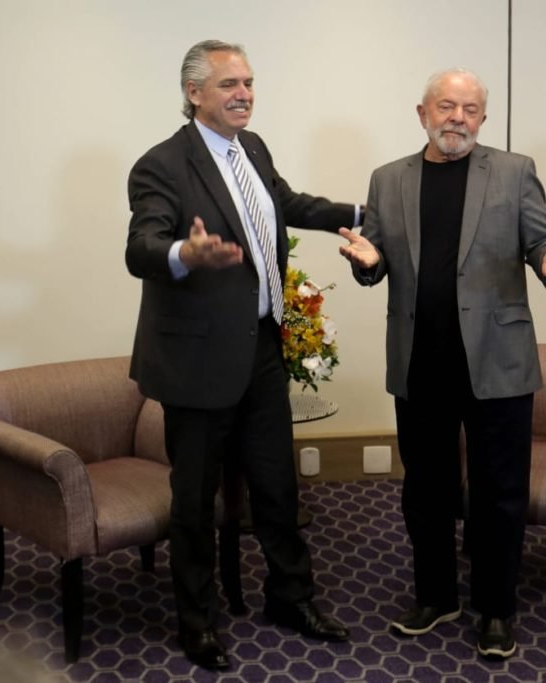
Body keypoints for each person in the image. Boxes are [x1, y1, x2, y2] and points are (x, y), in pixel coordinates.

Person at [125, 40, 361, 671]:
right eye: (230, 84)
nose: (245, 94)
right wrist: (185, 254)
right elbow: (140, 246)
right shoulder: (161, 165)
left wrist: (362, 214)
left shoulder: (252, 149)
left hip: (261, 346)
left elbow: (284, 203)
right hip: (197, 362)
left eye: (250, 82)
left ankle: (291, 597)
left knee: (277, 487)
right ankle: (197, 621)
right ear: (194, 92)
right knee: (195, 500)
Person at [338, 68, 546, 660]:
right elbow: (375, 261)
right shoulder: (388, 179)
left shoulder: (514, 171)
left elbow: (540, 245)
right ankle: (435, 595)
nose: (458, 118)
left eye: (471, 109)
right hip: (421, 362)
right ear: (421, 113)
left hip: (497, 361)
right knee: (426, 490)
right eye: (446, 106)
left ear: (483, 119)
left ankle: (496, 608)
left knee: (500, 492)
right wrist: (367, 263)